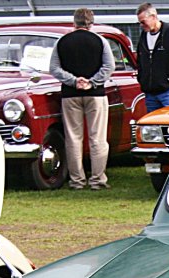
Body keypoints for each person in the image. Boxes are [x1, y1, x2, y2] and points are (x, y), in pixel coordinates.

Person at [49, 7, 113, 190]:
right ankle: (97, 179)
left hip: (70, 94)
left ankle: (77, 180)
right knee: (97, 138)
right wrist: (92, 82)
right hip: (95, 95)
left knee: (73, 138)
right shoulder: (100, 41)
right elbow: (108, 66)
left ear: (74, 22)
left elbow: (54, 68)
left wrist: (74, 81)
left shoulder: (62, 42)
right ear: (91, 23)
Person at [136, 3, 169, 112]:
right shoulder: (143, 36)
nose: (141, 25)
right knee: (152, 122)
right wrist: (142, 79)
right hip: (150, 93)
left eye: (143, 22)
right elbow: (140, 60)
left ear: (153, 17)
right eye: (139, 22)